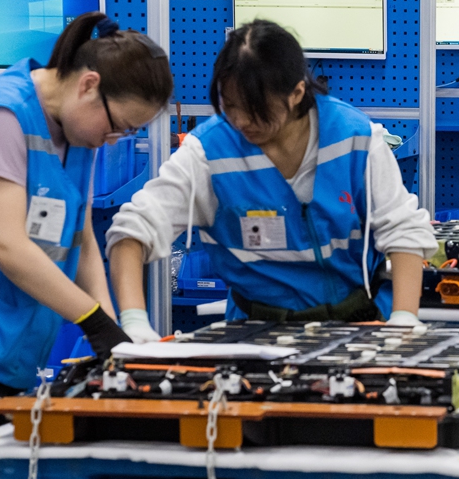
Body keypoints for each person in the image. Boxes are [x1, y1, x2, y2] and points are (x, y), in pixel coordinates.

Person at [0, 13, 173, 479]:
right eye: (120, 126)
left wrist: (115, 331)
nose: (115, 139)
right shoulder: (4, 117)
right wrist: (94, 322)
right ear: (88, 85)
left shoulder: (75, 133)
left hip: (5, 356)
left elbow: (80, 239)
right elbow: (7, 244)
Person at [107, 20, 436, 331]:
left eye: (256, 108)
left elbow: (403, 232)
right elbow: (133, 230)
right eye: (230, 105)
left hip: (356, 326)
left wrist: (404, 320)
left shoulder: (356, 139)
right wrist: (135, 322)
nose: (241, 121)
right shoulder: (209, 152)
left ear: (296, 93)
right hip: (254, 334)